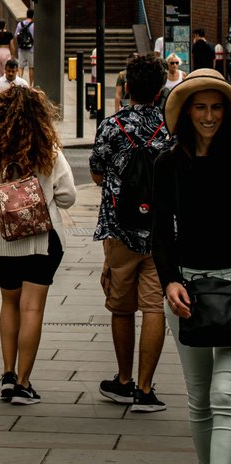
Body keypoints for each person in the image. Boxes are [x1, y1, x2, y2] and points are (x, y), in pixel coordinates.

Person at [0, 84, 76, 406]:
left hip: (3, 240)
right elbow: (69, 196)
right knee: (33, 308)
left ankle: (7, 373)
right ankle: (25, 384)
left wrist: (2, 194)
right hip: (43, 241)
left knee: (9, 304)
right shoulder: (49, 151)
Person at [154, 68, 231, 463]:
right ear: (186, 112)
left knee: (226, 396)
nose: (209, 116)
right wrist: (169, 282)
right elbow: (161, 231)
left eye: (217, 107)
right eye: (200, 107)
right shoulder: (168, 164)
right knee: (200, 398)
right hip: (187, 290)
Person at [90, 53, 171, 412]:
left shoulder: (111, 126)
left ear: (126, 88)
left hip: (119, 229)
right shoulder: (170, 127)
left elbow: (96, 173)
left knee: (122, 308)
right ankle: (146, 388)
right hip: (160, 231)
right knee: (154, 307)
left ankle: (123, 381)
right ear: (159, 90)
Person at [15, 8, 35, 87]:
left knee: (20, 67)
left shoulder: (20, 24)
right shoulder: (34, 25)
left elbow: (16, 35)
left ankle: (19, 83)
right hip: (31, 49)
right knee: (31, 67)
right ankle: (30, 85)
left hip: (21, 49)